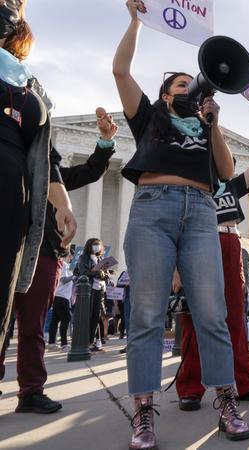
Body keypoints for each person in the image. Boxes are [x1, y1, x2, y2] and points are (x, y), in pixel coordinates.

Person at [113, 1, 249, 446]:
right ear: (166, 93)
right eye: (181, 84)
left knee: (213, 313)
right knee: (148, 315)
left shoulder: (205, 123)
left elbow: (227, 172)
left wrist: (214, 124)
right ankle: (144, 411)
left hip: (200, 213)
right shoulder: (150, 117)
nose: (190, 89)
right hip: (153, 207)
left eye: (193, 84)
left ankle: (227, 400)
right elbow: (120, 71)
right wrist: (135, 21)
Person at [0, 105, 116, 412]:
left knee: (33, 325)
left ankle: (31, 391)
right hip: (8, 243)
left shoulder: (52, 176)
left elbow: (89, 171)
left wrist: (105, 142)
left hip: (42, 251)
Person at [175, 123, 249, 411]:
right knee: (195, 320)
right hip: (199, 243)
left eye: (230, 161)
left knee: (235, 317)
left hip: (231, 245)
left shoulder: (233, 186)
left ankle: (244, 383)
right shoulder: (194, 188)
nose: (227, 165)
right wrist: (177, 269)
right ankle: (190, 388)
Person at [0, 0, 77, 382]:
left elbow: (45, 154)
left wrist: (62, 205)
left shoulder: (27, 83)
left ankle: (28, 387)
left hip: (14, 207)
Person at [76, 238, 109, 351]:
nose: (97, 247)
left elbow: (106, 273)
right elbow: (83, 272)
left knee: (96, 316)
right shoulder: (83, 258)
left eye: (99, 245)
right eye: (95, 244)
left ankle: (92, 341)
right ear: (89, 245)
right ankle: (86, 341)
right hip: (89, 289)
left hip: (99, 289)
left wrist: (105, 274)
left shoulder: (100, 258)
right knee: (88, 316)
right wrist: (97, 272)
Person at [47, 247, 76, 351]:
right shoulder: (63, 265)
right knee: (66, 319)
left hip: (62, 296)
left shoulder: (67, 266)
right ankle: (64, 344)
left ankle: (51, 343)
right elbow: (63, 280)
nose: (72, 258)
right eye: (71, 256)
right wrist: (73, 277)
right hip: (61, 296)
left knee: (55, 320)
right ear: (69, 256)